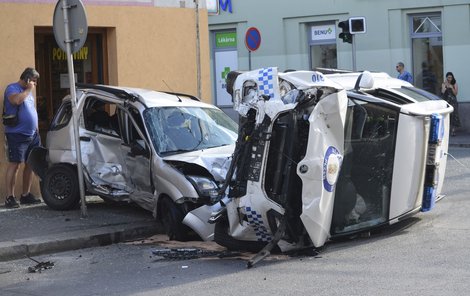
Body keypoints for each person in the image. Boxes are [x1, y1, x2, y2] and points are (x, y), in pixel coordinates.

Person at [3, 67, 42, 208]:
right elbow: (16, 101)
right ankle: (9, 197)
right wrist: (28, 90)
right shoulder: (12, 88)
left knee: (31, 163)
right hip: (17, 134)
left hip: (32, 135)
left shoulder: (28, 93)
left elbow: (31, 110)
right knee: (15, 165)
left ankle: (25, 195)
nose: (35, 84)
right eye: (33, 81)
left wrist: (36, 127)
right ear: (26, 79)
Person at [441, 71, 461, 136]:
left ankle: (453, 131)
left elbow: (456, 93)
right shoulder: (444, 84)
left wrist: (452, 87)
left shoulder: (455, 84)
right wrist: (446, 87)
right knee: (448, 116)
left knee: (454, 116)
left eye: (451, 77)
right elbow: (442, 92)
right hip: (446, 101)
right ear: (446, 78)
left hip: (453, 102)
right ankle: (447, 130)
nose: (449, 79)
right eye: (448, 77)